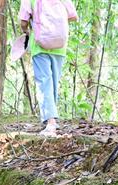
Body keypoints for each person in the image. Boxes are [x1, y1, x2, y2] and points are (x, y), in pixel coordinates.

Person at [19, 0, 78, 137]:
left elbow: (23, 21)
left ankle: (50, 123)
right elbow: (73, 16)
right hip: (59, 45)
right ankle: (51, 120)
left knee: (44, 82)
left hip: (39, 45)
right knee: (53, 82)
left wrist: (27, 30)